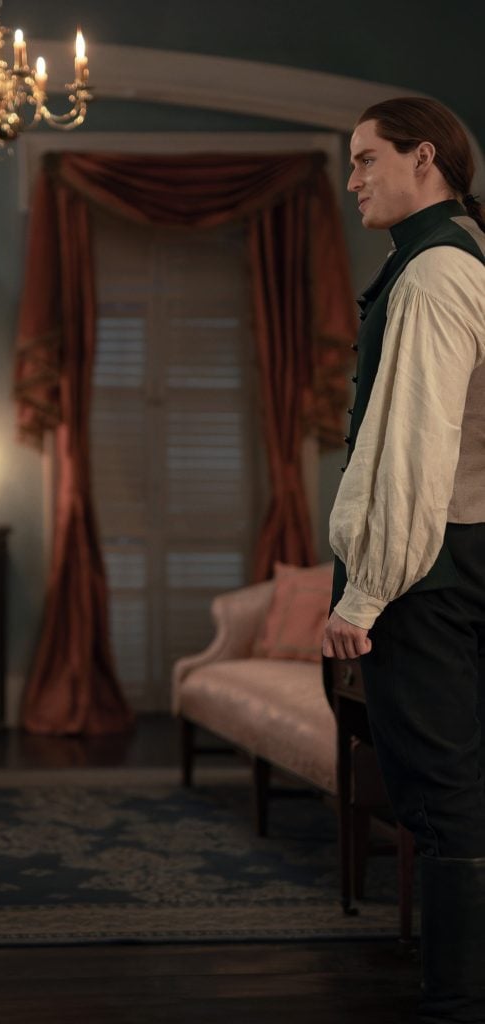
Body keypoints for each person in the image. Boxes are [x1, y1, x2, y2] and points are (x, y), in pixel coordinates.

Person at [323, 98, 485, 1022]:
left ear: (425, 157)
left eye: (364, 161)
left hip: (431, 574)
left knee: (438, 791)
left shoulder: (433, 274)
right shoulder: (456, 258)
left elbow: (416, 453)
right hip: (459, 558)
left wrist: (366, 594)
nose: (352, 182)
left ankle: (456, 997)